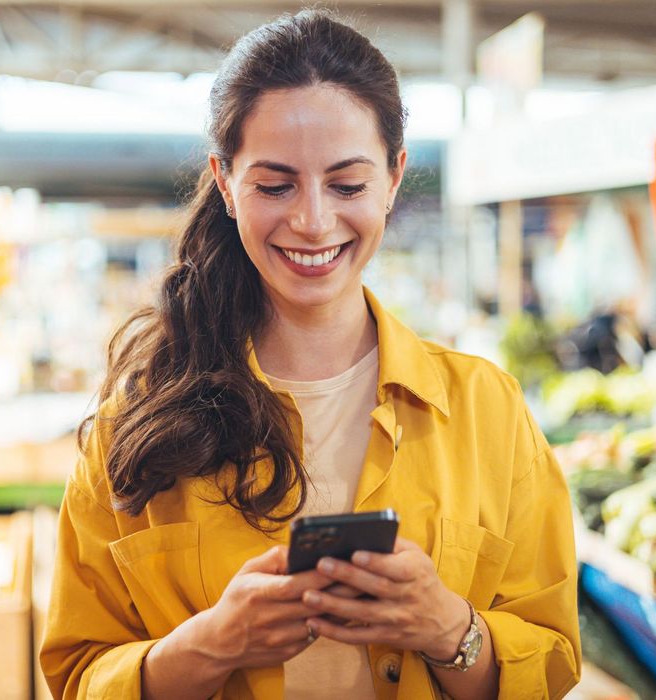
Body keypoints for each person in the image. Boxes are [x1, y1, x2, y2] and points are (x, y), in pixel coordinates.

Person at [40, 11, 580, 700]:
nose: (314, 221)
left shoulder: (488, 410)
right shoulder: (133, 426)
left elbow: (554, 661)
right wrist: (209, 645)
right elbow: (77, 675)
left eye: (347, 185)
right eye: (275, 185)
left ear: (393, 177)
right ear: (226, 182)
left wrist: (450, 627)